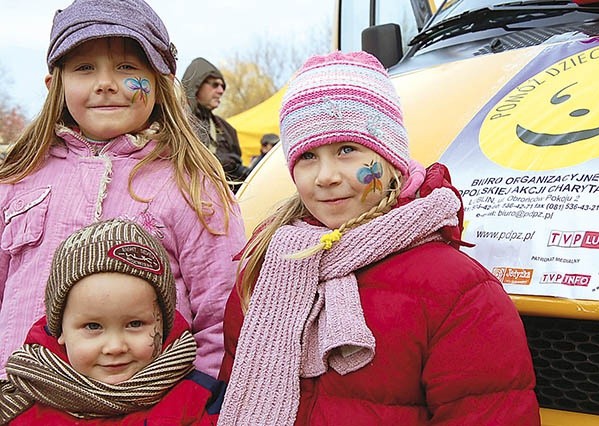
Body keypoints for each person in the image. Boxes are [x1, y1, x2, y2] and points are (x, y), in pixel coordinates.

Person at [217, 51, 540, 425]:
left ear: (390, 157)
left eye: (347, 150)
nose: (325, 176)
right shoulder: (269, 268)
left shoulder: (459, 292)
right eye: (307, 156)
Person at [0, 0, 246, 380]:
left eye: (127, 67)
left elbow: (221, 314)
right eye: (84, 67)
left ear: (161, 84)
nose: (105, 82)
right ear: (55, 85)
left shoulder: (192, 186)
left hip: (148, 410)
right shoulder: (17, 180)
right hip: (20, 402)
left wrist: (200, 402)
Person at [0, 219, 225, 424]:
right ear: (61, 329)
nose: (115, 347)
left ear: (163, 325)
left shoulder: (196, 402)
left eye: (135, 324)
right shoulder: (23, 405)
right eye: (93, 326)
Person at [182, 57, 251, 192]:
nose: (221, 91)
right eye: (214, 85)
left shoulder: (227, 129)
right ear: (197, 85)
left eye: (222, 86)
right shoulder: (173, 123)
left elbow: (236, 172)